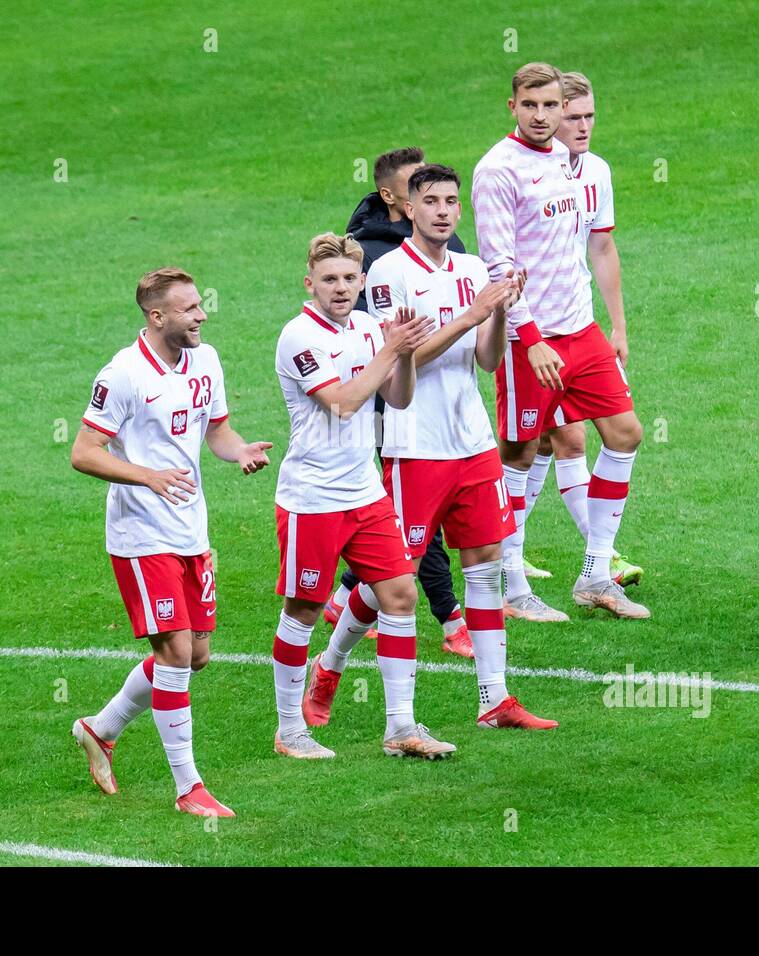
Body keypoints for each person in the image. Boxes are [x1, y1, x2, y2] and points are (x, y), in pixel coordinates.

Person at [303, 164, 557, 730]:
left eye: (451, 201)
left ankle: (495, 699)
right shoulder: (387, 273)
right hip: (413, 447)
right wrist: (471, 313)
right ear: (410, 210)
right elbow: (403, 358)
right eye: (432, 201)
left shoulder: (472, 267)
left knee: (484, 566)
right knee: (393, 576)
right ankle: (331, 662)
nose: (443, 211)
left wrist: (496, 312)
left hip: (472, 442)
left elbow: (487, 360)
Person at [70, 267, 273, 818]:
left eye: (200, 305)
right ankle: (188, 788)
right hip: (141, 535)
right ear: (157, 317)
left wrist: (240, 452)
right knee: (176, 652)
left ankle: (100, 728)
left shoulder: (205, 359)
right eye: (189, 309)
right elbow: (84, 452)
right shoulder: (123, 375)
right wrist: (147, 475)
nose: (201, 315)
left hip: (191, 529)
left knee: (196, 656)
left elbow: (216, 432)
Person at [473, 62, 649, 621]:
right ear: (513, 107)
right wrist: (530, 338)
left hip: (580, 330)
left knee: (626, 434)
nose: (545, 116)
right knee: (522, 454)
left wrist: (610, 325)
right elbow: (498, 265)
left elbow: (590, 248)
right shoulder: (498, 171)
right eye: (533, 105)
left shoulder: (572, 166)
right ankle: (510, 584)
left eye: (553, 106)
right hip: (532, 340)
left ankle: (597, 574)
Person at [271, 232, 456, 760]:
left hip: (364, 491)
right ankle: (290, 730)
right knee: (304, 610)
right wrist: (392, 348)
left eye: (350, 278)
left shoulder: (371, 330)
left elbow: (397, 399)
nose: (341, 287)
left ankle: (401, 727)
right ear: (310, 283)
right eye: (329, 279)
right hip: (313, 498)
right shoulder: (298, 336)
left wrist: (405, 356)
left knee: (400, 594)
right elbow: (345, 403)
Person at [329, 146, 471, 657]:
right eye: (419, 190)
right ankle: (451, 617)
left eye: (443, 196)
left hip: (452, 417)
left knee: (400, 517)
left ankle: (347, 590)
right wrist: (470, 319)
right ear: (394, 196)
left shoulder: (450, 245)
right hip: (389, 404)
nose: (432, 203)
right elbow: (390, 346)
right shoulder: (369, 257)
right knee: (412, 523)